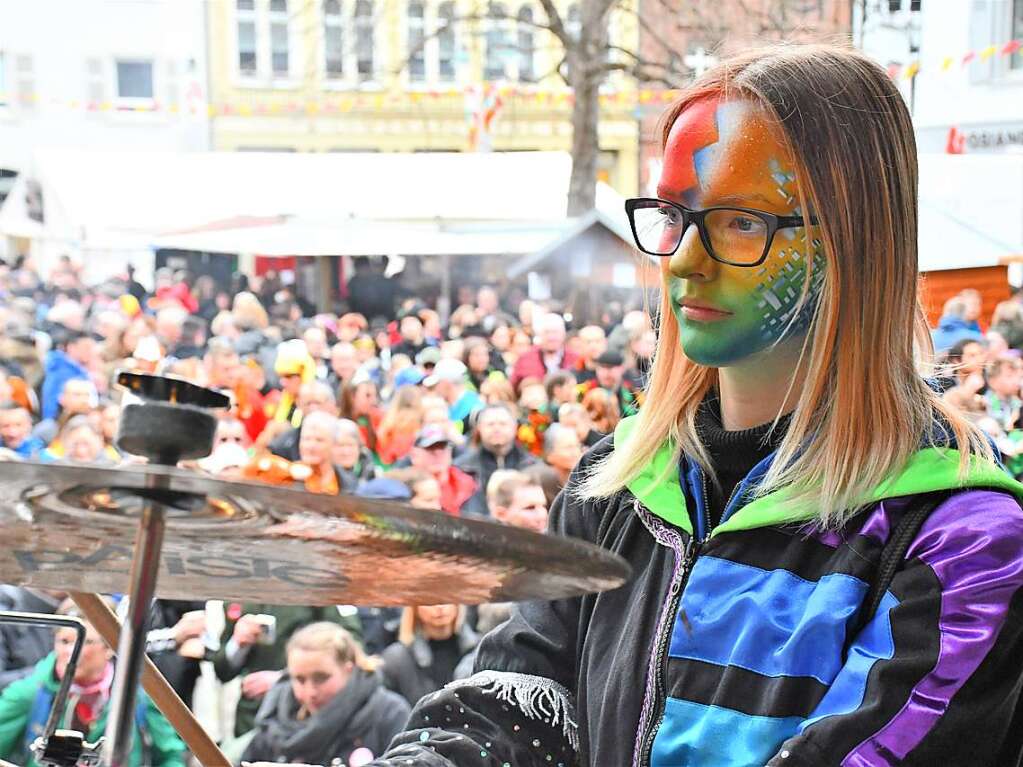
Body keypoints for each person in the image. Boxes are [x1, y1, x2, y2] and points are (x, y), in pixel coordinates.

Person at [371, 45, 1023, 766]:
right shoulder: (617, 485)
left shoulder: (960, 538)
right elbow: (514, 699)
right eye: (674, 214)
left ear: (852, 238)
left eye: (741, 220)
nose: (682, 258)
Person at [0, 598, 185, 767]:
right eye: (64, 641)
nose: (70, 652)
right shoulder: (29, 693)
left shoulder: (137, 698)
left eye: (85, 642)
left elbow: (171, 757)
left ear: (109, 647)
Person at [241, 622, 409, 766]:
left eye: (321, 678)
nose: (310, 692)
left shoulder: (389, 714)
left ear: (348, 670)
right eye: (300, 680)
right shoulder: (276, 720)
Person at [213, 603, 362, 738]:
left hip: (302, 714)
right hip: (251, 717)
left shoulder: (316, 585)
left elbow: (352, 648)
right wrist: (238, 643)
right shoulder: (239, 590)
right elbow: (222, 672)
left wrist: (286, 679)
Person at [379, 605, 478, 708]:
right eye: (430, 602)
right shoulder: (396, 660)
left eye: (447, 599)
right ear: (414, 607)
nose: (440, 607)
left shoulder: (480, 652)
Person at [454, 403, 538, 516]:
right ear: (479, 428)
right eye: (490, 424)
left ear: (514, 427)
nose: (497, 429)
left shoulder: (533, 466)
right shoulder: (462, 468)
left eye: (503, 424)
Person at [408, 426, 476, 516]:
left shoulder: (469, 483)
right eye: (430, 449)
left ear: (450, 452)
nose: (438, 454)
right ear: (414, 455)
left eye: (443, 448)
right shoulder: (403, 486)